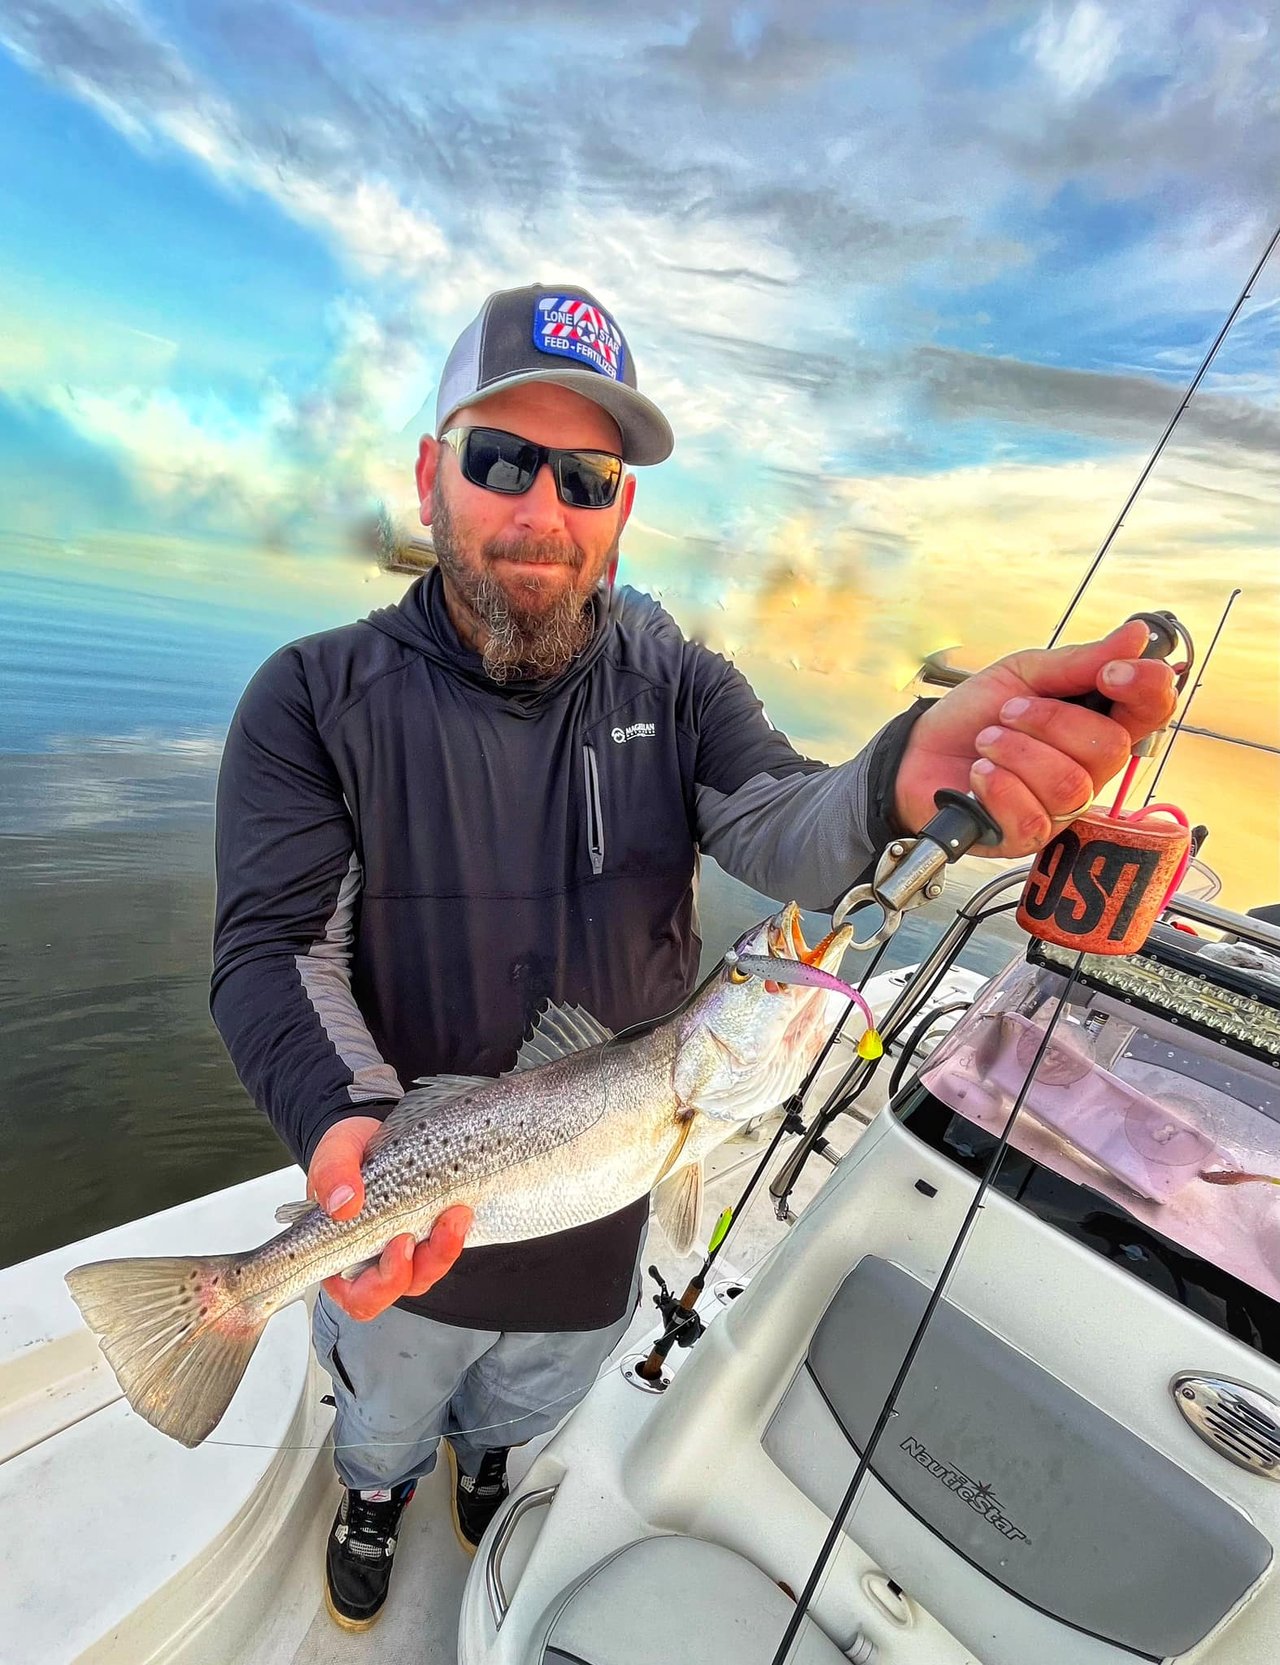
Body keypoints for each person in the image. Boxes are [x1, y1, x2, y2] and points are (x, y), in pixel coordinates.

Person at [211, 283, 1176, 1631]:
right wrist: (350, 1130)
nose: (544, 509)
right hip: (394, 1194)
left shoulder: (681, 684)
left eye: (589, 476)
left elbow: (785, 823)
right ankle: (373, 1494)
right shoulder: (311, 697)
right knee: (384, 1404)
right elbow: (272, 944)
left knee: (530, 1399)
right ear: (433, 474)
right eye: (502, 461)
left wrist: (901, 776)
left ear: (622, 509)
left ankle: (487, 1474)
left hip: (605, 1205)